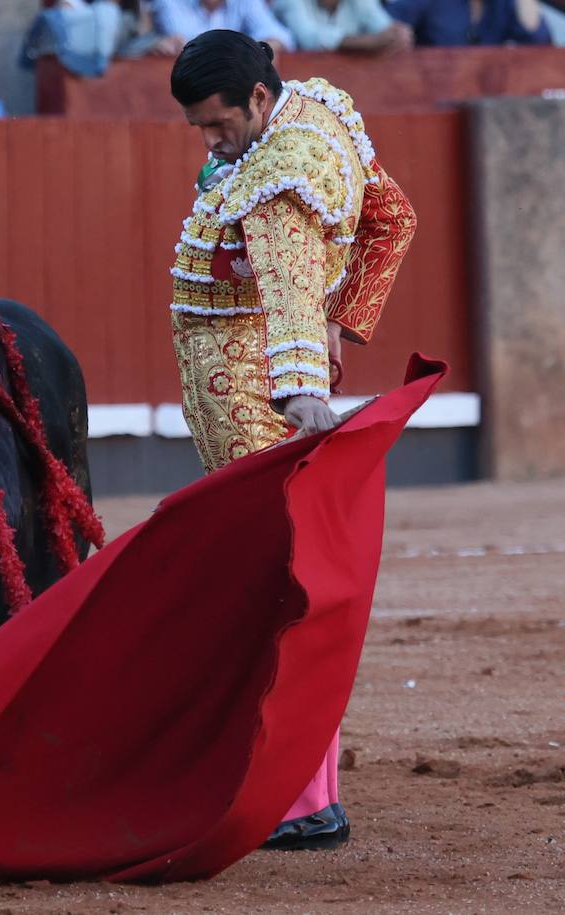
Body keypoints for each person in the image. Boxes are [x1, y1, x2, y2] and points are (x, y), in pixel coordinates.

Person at [166, 29, 415, 849]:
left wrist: (304, 388)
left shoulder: (278, 177)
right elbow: (393, 220)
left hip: (248, 384)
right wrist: (347, 322)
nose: (210, 140)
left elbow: (283, 282)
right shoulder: (316, 112)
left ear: (257, 100)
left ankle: (299, 797)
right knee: (279, 576)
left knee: (270, 586)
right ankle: (309, 789)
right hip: (260, 368)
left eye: (216, 124)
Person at [152, 0, 296, 53]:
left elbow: (280, 37)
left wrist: (264, 48)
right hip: (191, 88)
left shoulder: (246, 2)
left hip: (235, 90)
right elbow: (183, 45)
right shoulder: (170, 2)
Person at [383, 0, 552, 45]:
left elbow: (539, 43)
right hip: (431, 102)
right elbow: (380, 30)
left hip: (489, 110)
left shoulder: (503, 4)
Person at [273, 0, 414, 51]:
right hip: (298, 89)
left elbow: (384, 27)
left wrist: (398, 34)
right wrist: (367, 42)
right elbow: (308, 39)